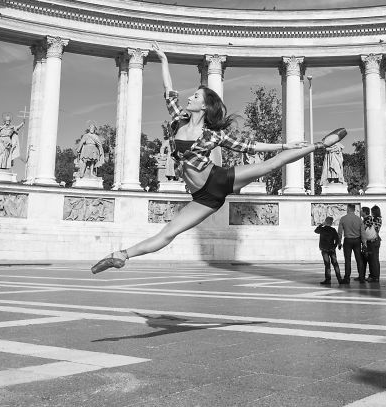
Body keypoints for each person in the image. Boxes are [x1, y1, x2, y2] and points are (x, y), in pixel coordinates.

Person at [91, 42, 347, 273]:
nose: (189, 98)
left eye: (195, 96)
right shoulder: (177, 120)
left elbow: (250, 147)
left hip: (219, 180)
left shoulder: (213, 135)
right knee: (168, 233)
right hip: (202, 198)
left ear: (203, 106)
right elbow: (168, 90)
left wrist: (284, 143)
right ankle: (120, 255)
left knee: (274, 162)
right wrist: (164, 59)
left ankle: (319, 145)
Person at [337, 203, 365, 283]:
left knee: (347, 260)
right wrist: (364, 243)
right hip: (357, 240)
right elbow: (362, 232)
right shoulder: (359, 219)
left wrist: (339, 242)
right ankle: (362, 277)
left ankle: (347, 278)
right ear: (354, 209)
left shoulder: (343, 218)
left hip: (348, 240)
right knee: (359, 259)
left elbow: (339, 232)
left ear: (348, 209)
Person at [314, 216, 342, 285]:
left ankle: (328, 280)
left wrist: (321, 224)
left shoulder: (322, 229)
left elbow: (316, 230)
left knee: (327, 265)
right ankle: (339, 279)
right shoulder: (333, 230)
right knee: (335, 264)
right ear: (331, 223)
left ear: (325, 222)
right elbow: (337, 239)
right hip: (332, 249)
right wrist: (336, 246)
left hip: (324, 249)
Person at [364, 205, 382, 282]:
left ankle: (375, 276)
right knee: (374, 259)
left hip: (373, 241)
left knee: (373, 260)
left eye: (372, 211)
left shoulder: (375, 219)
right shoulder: (378, 219)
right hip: (375, 240)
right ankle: (374, 275)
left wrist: (367, 218)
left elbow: (368, 225)